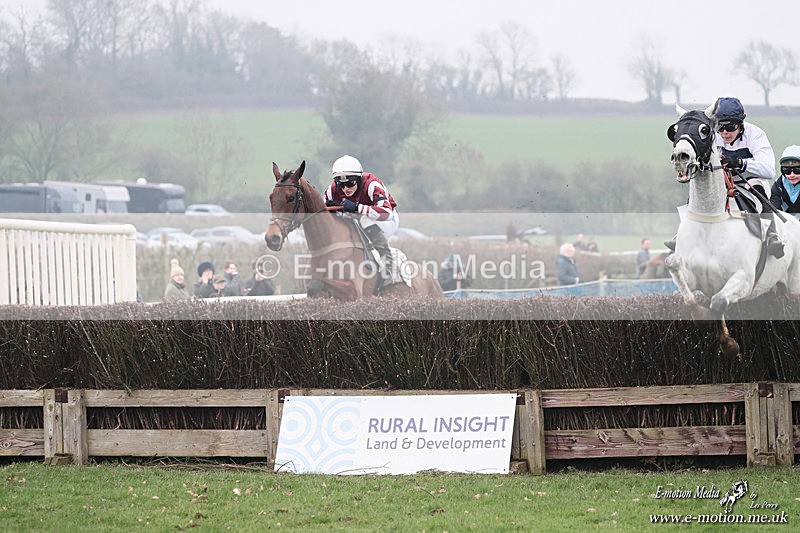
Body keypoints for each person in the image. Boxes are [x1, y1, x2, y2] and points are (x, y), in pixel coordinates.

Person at [665, 97, 783, 258]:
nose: (725, 133)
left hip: (749, 180)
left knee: (758, 188)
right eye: (721, 128)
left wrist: (740, 163)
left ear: (741, 124)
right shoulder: (712, 135)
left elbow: (769, 170)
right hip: (721, 181)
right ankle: (682, 234)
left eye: (730, 127)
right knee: (699, 190)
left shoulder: (755, 134)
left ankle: (772, 234)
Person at [323, 155, 399, 294]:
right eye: (341, 184)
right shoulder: (332, 190)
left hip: (386, 220)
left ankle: (389, 266)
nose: (345, 189)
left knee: (365, 219)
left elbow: (386, 212)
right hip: (357, 219)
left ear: (359, 179)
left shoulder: (371, 184)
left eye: (350, 183)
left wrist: (358, 207)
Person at [770, 145, 800, 217]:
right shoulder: (777, 186)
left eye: (797, 170)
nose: (792, 175)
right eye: (787, 170)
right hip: (787, 225)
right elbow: (775, 213)